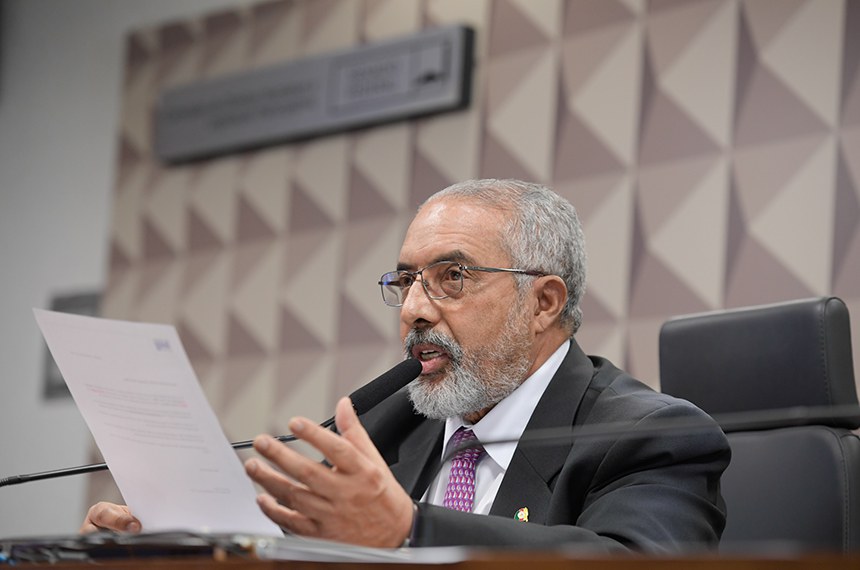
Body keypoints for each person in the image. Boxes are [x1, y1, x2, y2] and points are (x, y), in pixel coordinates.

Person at [82, 179, 730, 552]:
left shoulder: (650, 436)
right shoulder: (390, 427)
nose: (414, 309)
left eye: (451, 277)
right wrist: (194, 551)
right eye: (406, 280)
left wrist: (409, 533)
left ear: (544, 302)